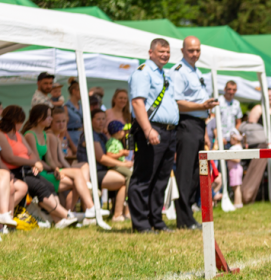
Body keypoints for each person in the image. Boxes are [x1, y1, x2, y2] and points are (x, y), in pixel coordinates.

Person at [128, 38, 179, 233]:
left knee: (161, 179)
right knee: (144, 178)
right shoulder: (143, 72)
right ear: (151, 52)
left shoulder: (163, 74)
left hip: (168, 131)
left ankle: (156, 220)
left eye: (167, 52)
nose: (165, 55)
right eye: (161, 51)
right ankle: (141, 224)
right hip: (151, 129)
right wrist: (148, 130)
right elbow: (137, 103)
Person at [170, 36, 219, 230]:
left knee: (195, 172)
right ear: (182, 51)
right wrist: (201, 105)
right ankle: (183, 218)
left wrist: (205, 126)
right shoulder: (178, 71)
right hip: (186, 124)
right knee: (185, 172)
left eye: (198, 50)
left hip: (199, 124)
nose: (195, 54)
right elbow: (176, 103)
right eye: (191, 50)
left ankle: (188, 215)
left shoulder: (196, 71)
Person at [0, 105, 78, 228]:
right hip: (17, 171)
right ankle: (66, 215)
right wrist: (33, 163)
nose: (21, 124)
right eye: (20, 121)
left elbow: (31, 153)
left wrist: (36, 163)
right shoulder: (3, 135)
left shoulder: (18, 135)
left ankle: (59, 220)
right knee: (38, 187)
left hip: (27, 170)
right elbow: (10, 158)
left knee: (48, 185)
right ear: (15, 120)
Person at [24, 105, 96, 219]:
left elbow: (50, 160)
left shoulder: (43, 134)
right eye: (48, 116)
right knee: (77, 177)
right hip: (37, 174)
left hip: (47, 171)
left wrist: (56, 169)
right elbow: (37, 161)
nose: (50, 119)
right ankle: (85, 208)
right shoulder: (30, 135)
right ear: (39, 118)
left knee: (77, 180)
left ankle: (73, 213)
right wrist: (55, 169)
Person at [78, 110, 131, 222]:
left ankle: (118, 214)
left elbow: (109, 156)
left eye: (103, 119)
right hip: (92, 172)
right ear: (90, 121)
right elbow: (101, 158)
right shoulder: (90, 135)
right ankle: (118, 214)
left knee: (124, 180)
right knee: (123, 180)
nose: (101, 122)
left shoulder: (102, 135)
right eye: (98, 119)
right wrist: (123, 164)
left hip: (102, 170)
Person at [226, 129, 244, 208]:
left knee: (236, 188)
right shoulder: (236, 147)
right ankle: (238, 203)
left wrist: (227, 157)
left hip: (235, 169)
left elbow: (237, 159)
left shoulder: (236, 148)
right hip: (234, 169)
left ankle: (237, 203)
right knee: (236, 187)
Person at [64, 78, 83, 153]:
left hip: (81, 138)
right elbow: (64, 129)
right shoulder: (66, 107)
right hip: (72, 138)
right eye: (80, 90)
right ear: (74, 91)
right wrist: (72, 145)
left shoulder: (82, 106)